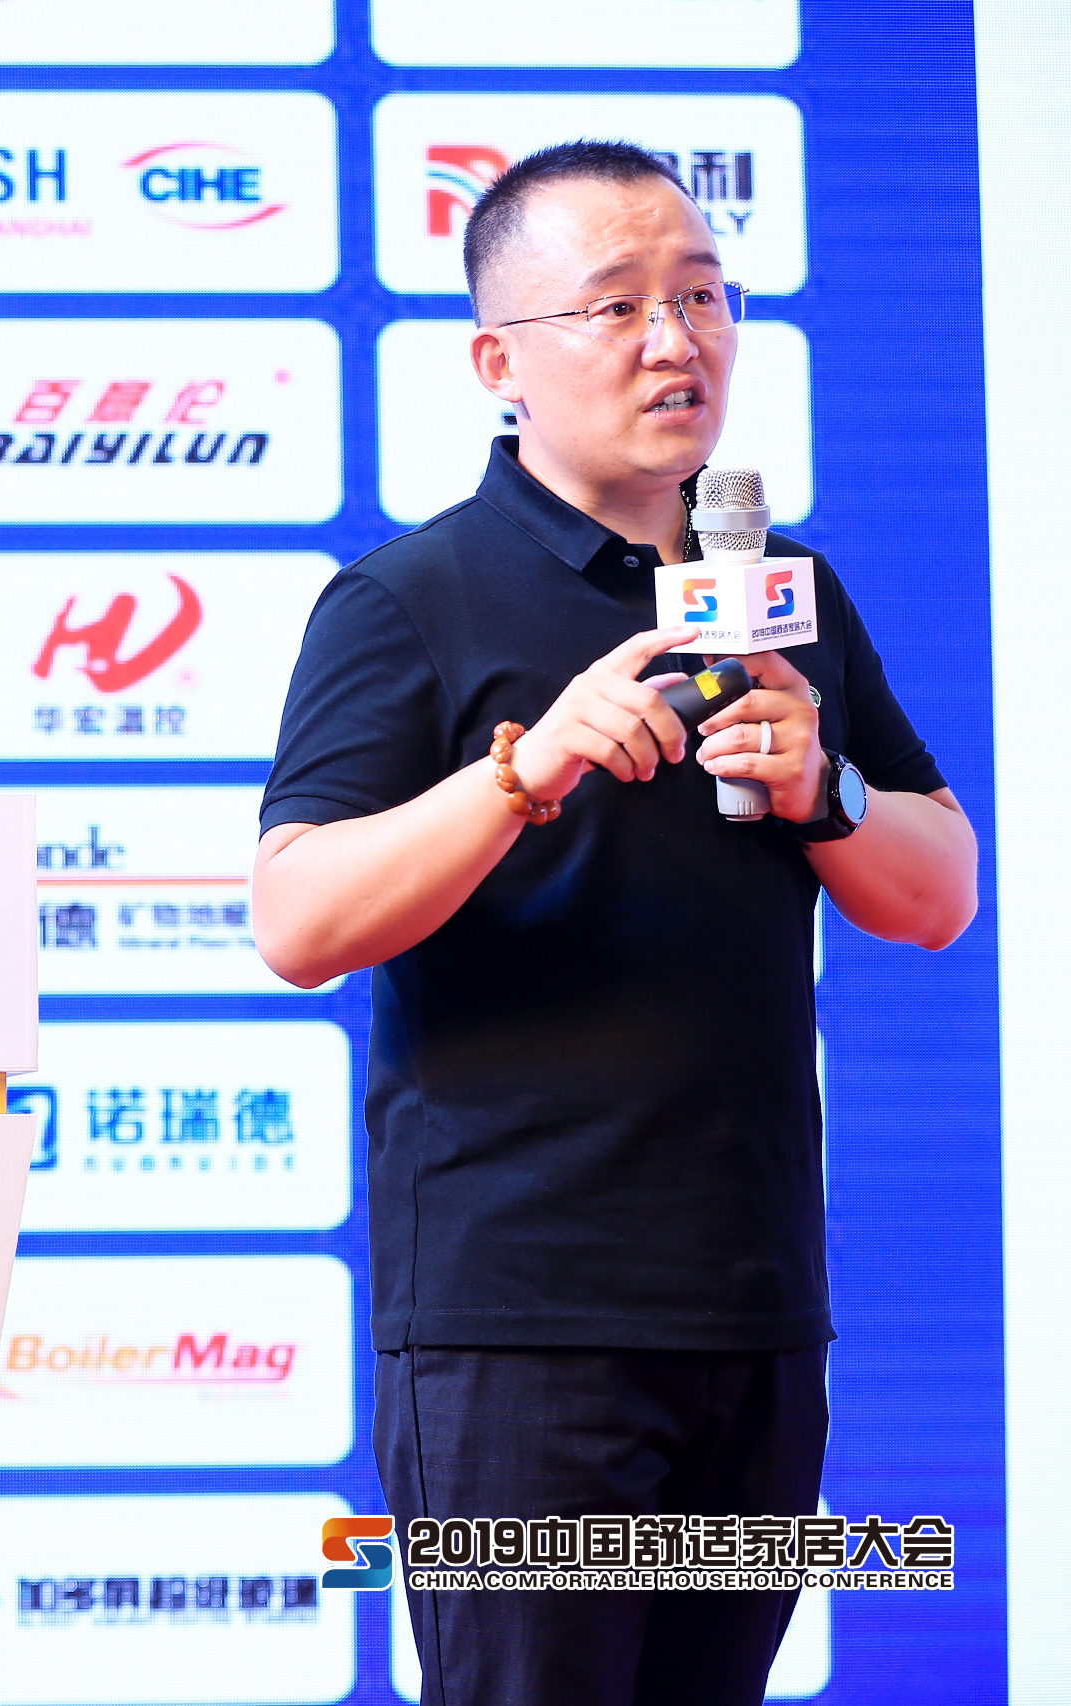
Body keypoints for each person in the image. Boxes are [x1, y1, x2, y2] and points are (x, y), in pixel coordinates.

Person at [252, 140, 976, 1705]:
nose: (676, 340)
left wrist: (826, 789)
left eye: (703, 297)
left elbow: (939, 892)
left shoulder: (787, 592)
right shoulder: (411, 598)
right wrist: (523, 771)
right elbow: (297, 917)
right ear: (497, 362)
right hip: (520, 1327)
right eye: (618, 305)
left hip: (757, 1308)